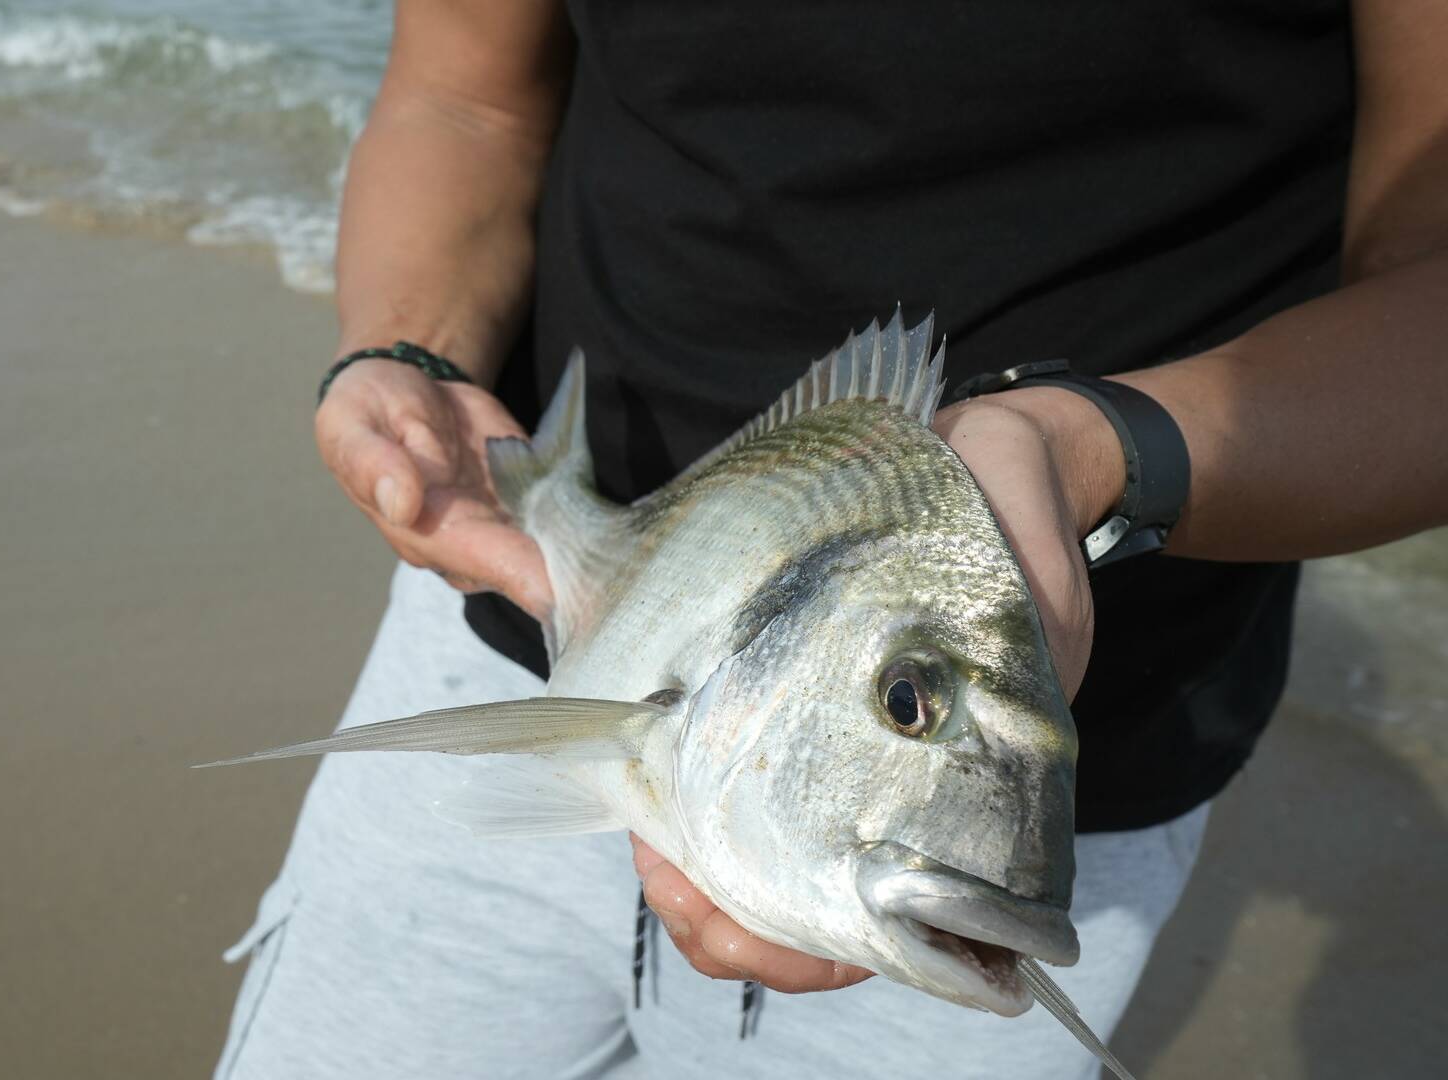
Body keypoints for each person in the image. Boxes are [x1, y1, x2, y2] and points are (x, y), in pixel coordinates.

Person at [217, 2, 1448, 1076]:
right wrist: (408, 350)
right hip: (506, 615)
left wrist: (1097, 447)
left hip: (1098, 755)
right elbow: (461, 97)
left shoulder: (976, 849)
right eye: (906, 703)